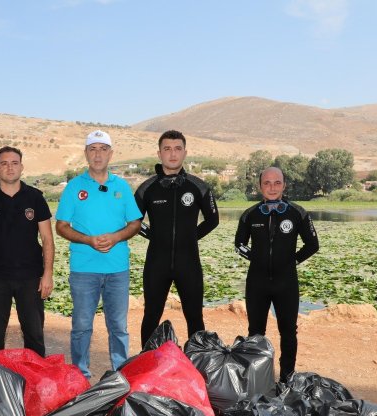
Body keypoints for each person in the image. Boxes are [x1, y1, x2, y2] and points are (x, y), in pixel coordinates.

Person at [55, 130, 142, 378]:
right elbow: (61, 226)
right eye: (92, 149)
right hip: (84, 269)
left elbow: (135, 223)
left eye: (103, 149)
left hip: (117, 269)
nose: (98, 154)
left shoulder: (122, 187)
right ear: (86, 154)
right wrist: (88, 240)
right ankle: (81, 374)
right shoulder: (74, 187)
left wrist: (115, 237)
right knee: (81, 326)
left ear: (110, 154)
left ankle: (120, 373)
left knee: (118, 327)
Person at [135, 130, 219, 347]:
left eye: (177, 149)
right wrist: (153, 236)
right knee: (151, 317)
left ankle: (197, 369)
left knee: (195, 318)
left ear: (185, 153)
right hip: (157, 262)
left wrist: (191, 237)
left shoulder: (198, 186)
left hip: (188, 262)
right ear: (159, 153)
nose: (173, 154)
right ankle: (148, 366)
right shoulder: (147, 188)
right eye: (167, 149)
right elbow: (133, 221)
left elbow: (213, 219)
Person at [234, 166, 319, 382]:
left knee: (288, 332)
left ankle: (287, 378)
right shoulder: (250, 214)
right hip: (257, 282)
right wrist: (258, 259)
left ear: (284, 185)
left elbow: (313, 244)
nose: (272, 188)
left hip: (286, 282)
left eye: (277, 183)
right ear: (260, 186)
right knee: (255, 332)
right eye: (267, 183)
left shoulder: (297, 213)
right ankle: (257, 378)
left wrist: (292, 261)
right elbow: (239, 244)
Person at [0, 146, 55, 356]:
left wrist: (48, 274)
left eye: (14, 163)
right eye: (4, 163)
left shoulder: (35, 197)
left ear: (22, 167)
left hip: (31, 278)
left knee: (34, 336)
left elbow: (47, 239)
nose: (9, 168)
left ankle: (34, 382)